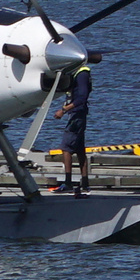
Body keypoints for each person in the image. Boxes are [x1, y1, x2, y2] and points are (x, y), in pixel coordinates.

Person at [51, 64, 91, 195]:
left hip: (77, 115)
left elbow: (82, 97)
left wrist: (64, 110)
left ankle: (68, 182)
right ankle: (85, 183)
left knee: (66, 148)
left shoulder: (82, 74)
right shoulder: (76, 73)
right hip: (76, 114)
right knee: (79, 149)